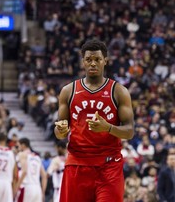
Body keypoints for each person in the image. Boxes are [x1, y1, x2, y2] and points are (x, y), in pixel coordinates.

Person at [54, 39, 134, 202]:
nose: (93, 63)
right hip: (77, 164)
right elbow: (59, 133)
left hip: (109, 165)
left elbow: (130, 131)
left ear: (105, 61)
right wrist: (61, 130)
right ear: (83, 61)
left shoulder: (119, 91)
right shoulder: (68, 91)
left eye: (97, 59)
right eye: (88, 59)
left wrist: (108, 127)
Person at [15, 137, 47, 202]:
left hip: (26, 187)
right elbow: (44, 176)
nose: (18, 148)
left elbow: (24, 171)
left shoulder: (22, 154)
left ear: (23, 145)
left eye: (18, 146)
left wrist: (16, 187)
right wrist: (43, 192)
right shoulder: (37, 157)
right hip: (37, 189)